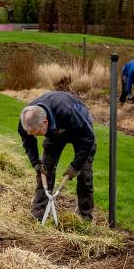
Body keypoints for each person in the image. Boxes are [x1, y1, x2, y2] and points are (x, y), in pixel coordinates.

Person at [18, 91, 96, 222]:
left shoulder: (67, 111)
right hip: (55, 132)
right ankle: (37, 215)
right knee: (44, 170)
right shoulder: (25, 121)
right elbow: (28, 141)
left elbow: (88, 137)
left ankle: (86, 218)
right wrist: (36, 163)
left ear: (45, 122)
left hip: (81, 131)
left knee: (84, 175)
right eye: (32, 133)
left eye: (37, 132)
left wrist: (75, 166)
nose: (35, 136)